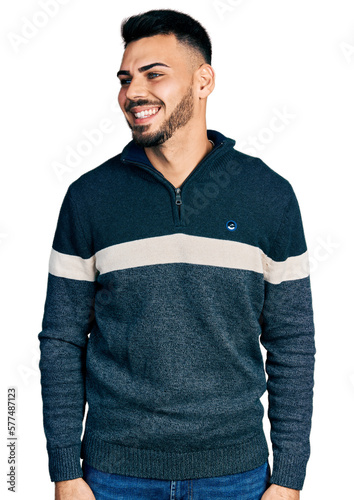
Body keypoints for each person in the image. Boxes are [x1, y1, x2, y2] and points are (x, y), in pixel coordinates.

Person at [38, 9, 316, 500]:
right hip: (111, 476)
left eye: (154, 75)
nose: (133, 93)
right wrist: (65, 469)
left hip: (238, 477)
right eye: (126, 79)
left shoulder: (268, 195)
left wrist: (290, 477)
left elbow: (292, 342)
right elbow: (61, 340)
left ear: (203, 80)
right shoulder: (90, 198)